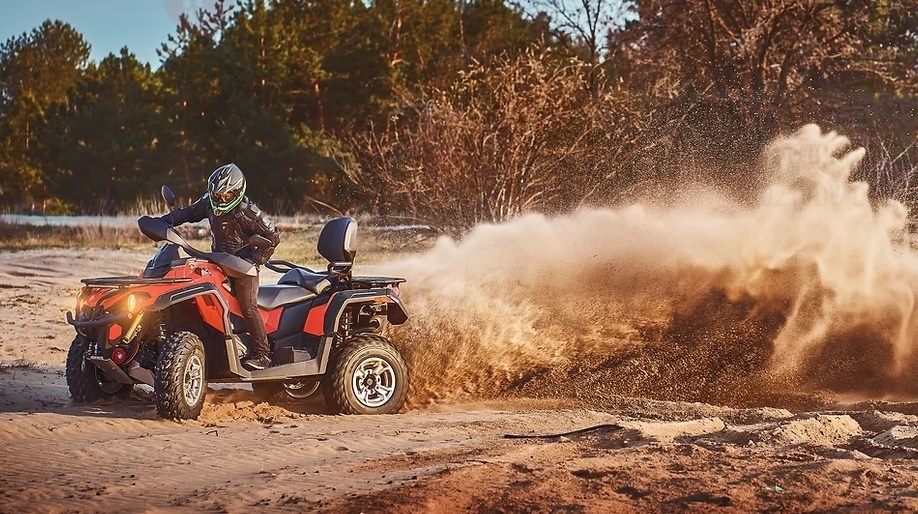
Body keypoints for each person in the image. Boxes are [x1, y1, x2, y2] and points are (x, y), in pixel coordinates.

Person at [159, 163, 280, 371]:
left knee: (248, 306)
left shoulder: (249, 213)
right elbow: (188, 213)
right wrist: (164, 221)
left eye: (225, 196)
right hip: (217, 262)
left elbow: (273, 236)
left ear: (238, 192)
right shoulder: (208, 202)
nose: (219, 200)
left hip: (243, 267)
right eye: (216, 195)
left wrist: (255, 260)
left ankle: (263, 355)